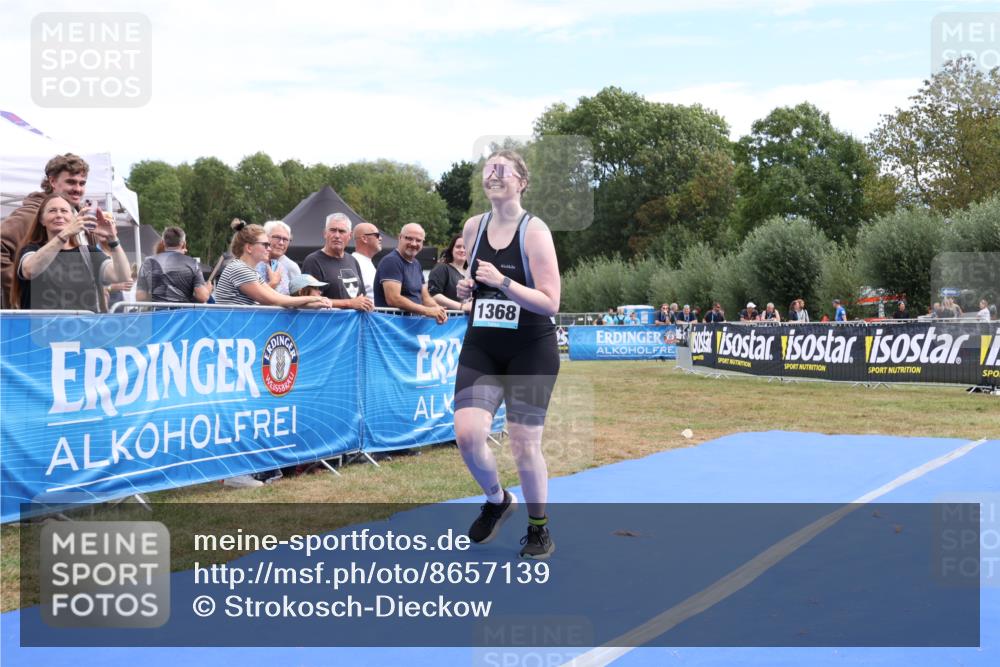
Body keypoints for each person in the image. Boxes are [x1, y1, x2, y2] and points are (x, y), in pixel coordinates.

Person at [453, 150, 561, 560]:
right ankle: (497, 500)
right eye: (488, 170)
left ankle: (538, 528)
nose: (494, 175)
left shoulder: (534, 232)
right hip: (482, 343)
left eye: (503, 170)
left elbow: (550, 302)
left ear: (521, 182)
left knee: (523, 445)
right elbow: (473, 282)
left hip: (529, 348)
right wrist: (468, 290)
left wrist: (504, 282)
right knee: (467, 435)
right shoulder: (472, 228)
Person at [10, 193, 131, 311]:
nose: (59, 215)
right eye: (52, 210)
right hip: (40, 329)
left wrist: (113, 239)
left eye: (64, 211)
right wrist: (66, 233)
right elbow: (30, 270)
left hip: (81, 329)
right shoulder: (31, 250)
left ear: (72, 218)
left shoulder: (88, 253)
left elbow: (121, 276)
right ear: (42, 220)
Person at [2, 154, 91, 308]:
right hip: (39, 318)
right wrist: (21, 290)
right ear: (52, 181)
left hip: (79, 317)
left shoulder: (81, 217)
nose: (78, 189)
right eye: (71, 182)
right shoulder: (31, 215)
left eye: (82, 183)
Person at [213, 219, 332, 309]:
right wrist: (314, 298)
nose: (269, 249)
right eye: (265, 245)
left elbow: (281, 298)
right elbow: (273, 300)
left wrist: (312, 303)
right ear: (249, 247)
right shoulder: (239, 269)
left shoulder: (247, 270)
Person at [373, 223, 447, 323]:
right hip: (391, 328)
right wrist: (427, 311)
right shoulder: (391, 261)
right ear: (400, 237)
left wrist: (439, 310)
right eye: (409, 238)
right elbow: (393, 299)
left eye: (418, 240)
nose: (413, 243)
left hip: (411, 329)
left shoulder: (416, 264)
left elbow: (425, 297)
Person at [301, 213, 374, 312]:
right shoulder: (313, 261)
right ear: (325, 233)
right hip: (327, 324)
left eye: (342, 231)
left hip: (353, 325)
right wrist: (350, 303)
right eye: (332, 230)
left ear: (349, 235)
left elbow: (361, 297)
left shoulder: (353, 261)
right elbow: (310, 301)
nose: (337, 235)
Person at [135, 226, 211, 303]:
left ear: (163, 242)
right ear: (183, 243)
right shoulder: (192, 263)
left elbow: (140, 296)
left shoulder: (148, 262)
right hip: (182, 314)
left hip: (157, 313)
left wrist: (157, 295)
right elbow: (202, 296)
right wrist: (207, 290)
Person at [255, 220, 300, 296]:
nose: (281, 243)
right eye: (277, 237)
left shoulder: (292, 267)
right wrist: (273, 283)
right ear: (265, 237)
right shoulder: (253, 261)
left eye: (285, 239)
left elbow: (298, 296)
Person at [428, 234, 471, 312]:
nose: (462, 250)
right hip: (447, 320)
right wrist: (462, 306)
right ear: (451, 250)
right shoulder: (442, 268)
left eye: (465, 247)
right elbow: (433, 295)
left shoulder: (470, 273)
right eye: (458, 247)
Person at [351, 221, 382, 299]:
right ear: (364, 238)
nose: (380, 238)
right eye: (377, 235)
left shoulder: (366, 262)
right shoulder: (353, 262)